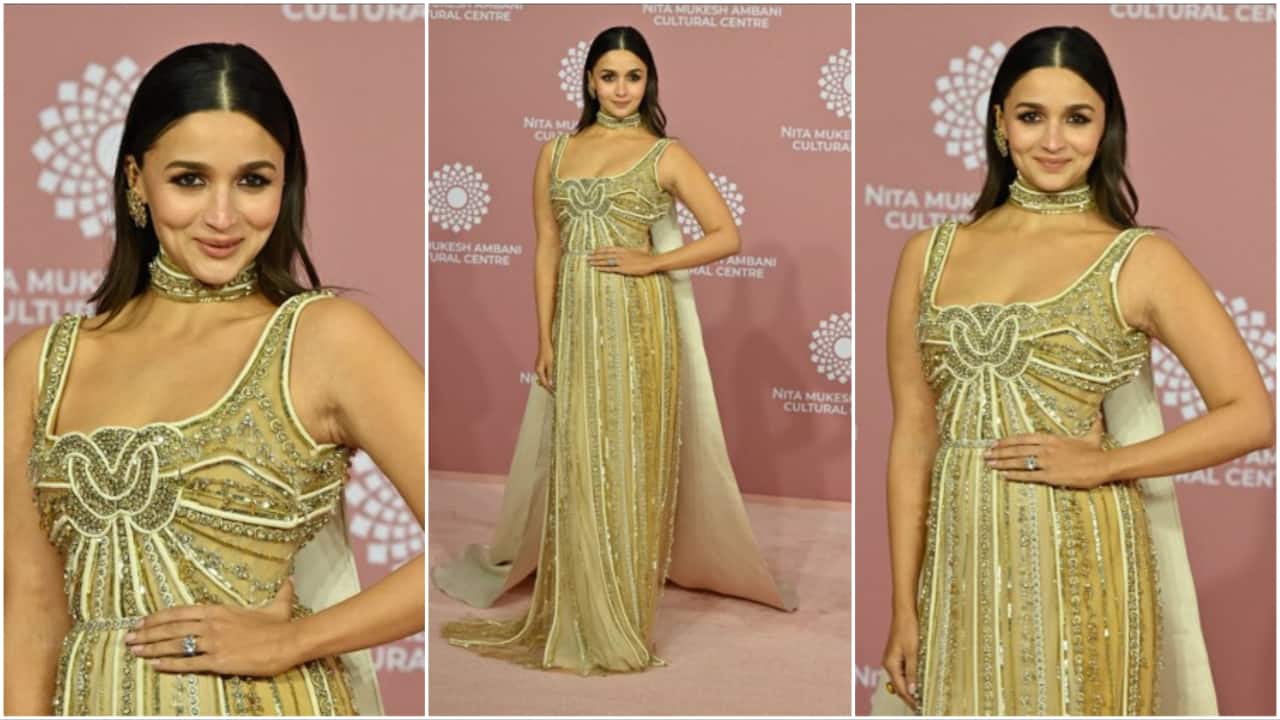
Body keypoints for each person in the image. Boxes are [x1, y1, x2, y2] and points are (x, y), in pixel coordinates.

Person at [4, 43, 424, 716]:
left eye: (253, 181)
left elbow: (465, 548)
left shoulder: (324, 339)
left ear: (286, 184)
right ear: (136, 178)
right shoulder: (40, 363)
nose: (223, 217)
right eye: (190, 180)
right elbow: (30, 607)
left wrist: (295, 641)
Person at [872, 25, 1271, 716]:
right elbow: (913, 436)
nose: (1053, 141)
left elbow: (1252, 415)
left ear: (1106, 127)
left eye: (1077, 118)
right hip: (959, 557)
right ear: (999, 124)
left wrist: (1108, 464)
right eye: (1032, 117)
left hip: (1083, 553)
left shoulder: (1139, 259)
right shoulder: (927, 254)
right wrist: (903, 605)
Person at [431, 26, 794, 676]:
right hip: (574, 322)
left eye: (633, 76)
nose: (621, 89)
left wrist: (655, 260)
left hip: (638, 323)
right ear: (589, 82)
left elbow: (726, 235)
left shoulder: (665, 154)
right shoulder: (555, 151)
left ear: (648, 82)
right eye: (609, 76)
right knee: (577, 458)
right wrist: (544, 336)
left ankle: (620, 610)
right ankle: (573, 602)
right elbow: (546, 245)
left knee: (628, 461)